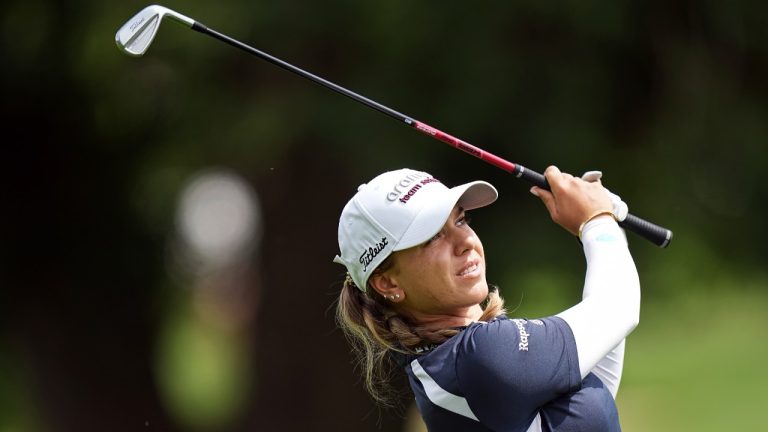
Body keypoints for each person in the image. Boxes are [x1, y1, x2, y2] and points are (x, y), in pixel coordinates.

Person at [334, 166, 640, 431]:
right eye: (432, 237)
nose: (464, 242)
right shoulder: (481, 359)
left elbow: (597, 373)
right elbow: (618, 310)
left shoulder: (451, 362)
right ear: (387, 282)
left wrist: (602, 226)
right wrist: (597, 220)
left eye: (461, 220)